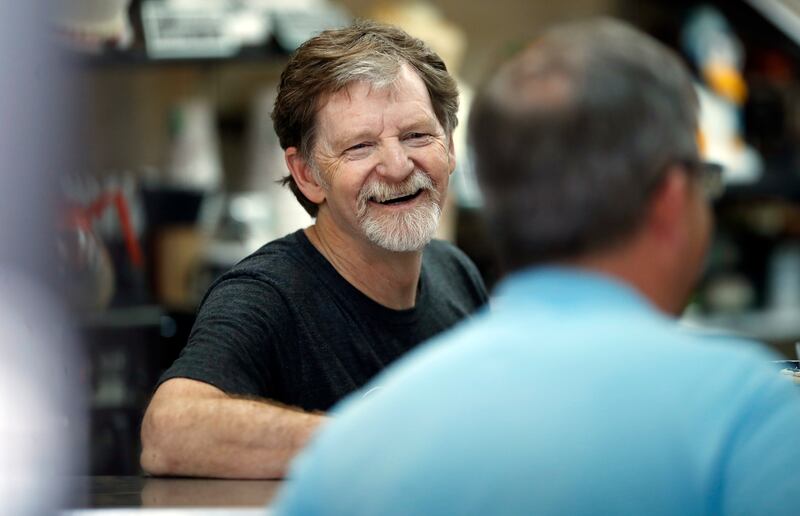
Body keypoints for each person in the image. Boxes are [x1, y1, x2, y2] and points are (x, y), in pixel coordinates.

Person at [273, 18, 800, 515]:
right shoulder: (749, 421)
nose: (394, 163)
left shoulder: (351, 452)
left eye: (415, 136)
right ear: (672, 199)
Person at [140, 21, 488, 479]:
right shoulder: (266, 296)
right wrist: (381, 440)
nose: (397, 166)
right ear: (307, 175)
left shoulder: (455, 274)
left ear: (450, 146)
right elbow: (169, 432)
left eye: (417, 136)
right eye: (360, 147)